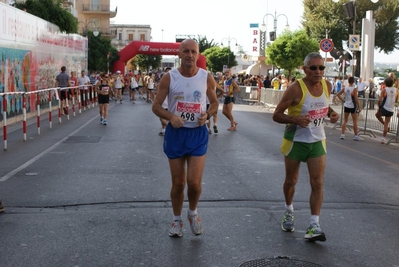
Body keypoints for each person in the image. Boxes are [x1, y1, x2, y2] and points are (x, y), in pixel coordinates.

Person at [152, 39, 218, 237]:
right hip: (176, 134)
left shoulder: (206, 77)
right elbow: (155, 106)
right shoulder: (169, 77)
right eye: (186, 51)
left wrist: (207, 114)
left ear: (198, 55)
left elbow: (215, 103)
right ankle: (176, 220)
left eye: (193, 52)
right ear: (179, 54)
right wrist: (171, 117)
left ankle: (193, 213)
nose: (190, 55)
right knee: (179, 183)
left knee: (195, 183)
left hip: (197, 134)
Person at [272, 52, 339, 242]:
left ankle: (314, 224)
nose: (318, 71)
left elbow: (324, 107)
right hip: (296, 141)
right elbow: (276, 114)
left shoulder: (327, 85)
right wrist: (295, 119)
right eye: (314, 68)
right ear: (305, 69)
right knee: (291, 181)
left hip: (318, 141)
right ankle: (288, 210)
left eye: (321, 68)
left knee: (317, 182)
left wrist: (332, 114)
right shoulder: (295, 89)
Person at [337, 76, 362, 141]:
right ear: (353, 81)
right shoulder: (354, 88)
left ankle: (342, 134)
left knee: (345, 120)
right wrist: (359, 106)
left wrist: (343, 100)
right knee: (355, 121)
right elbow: (356, 98)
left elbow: (338, 94)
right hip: (353, 106)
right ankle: (355, 135)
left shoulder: (345, 88)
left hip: (346, 105)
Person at [375, 77, 398, 144]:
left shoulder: (384, 90)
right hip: (391, 109)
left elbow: (380, 100)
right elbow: (396, 99)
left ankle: (385, 125)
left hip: (384, 107)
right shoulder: (396, 90)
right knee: (386, 123)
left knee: (377, 115)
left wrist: (379, 107)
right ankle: (383, 138)